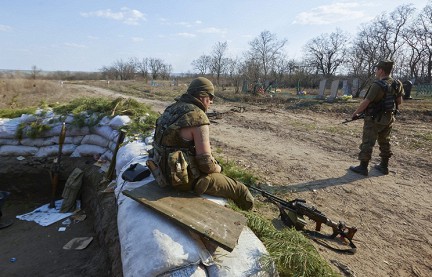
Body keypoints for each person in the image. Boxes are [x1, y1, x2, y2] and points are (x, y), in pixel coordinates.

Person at [149, 77, 254, 210]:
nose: (211, 101)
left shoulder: (172, 108)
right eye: (210, 97)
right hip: (182, 181)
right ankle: (249, 215)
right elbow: (206, 165)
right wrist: (219, 169)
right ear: (202, 96)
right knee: (241, 190)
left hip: (161, 172)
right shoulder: (197, 117)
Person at [349, 60, 404, 176]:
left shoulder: (377, 85)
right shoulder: (397, 83)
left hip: (374, 119)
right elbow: (399, 101)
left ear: (381, 70)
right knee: (385, 142)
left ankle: (363, 167)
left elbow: (366, 102)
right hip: (389, 118)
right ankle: (384, 166)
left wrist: (355, 113)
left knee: (368, 142)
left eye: (377, 69)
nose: (375, 71)